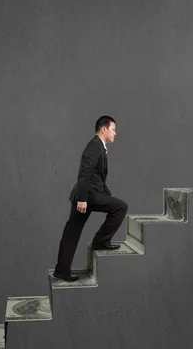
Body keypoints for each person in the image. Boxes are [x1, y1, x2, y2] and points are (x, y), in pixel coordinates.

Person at [53, 116, 128, 282]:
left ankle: (61, 270)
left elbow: (98, 178)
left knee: (71, 232)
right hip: (87, 196)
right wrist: (81, 199)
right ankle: (100, 241)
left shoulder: (99, 146)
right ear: (104, 129)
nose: (115, 133)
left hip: (89, 195)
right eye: (113, 129)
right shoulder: (95, 146)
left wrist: (108, 196)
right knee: (121, 207)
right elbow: (84, 173)